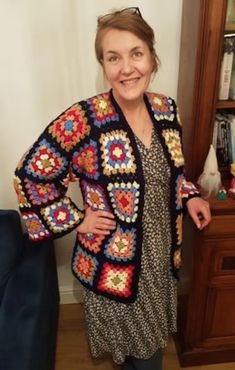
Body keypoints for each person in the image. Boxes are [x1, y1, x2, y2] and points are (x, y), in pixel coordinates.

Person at [13, 7, 211, 370]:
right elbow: (31, 175)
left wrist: (191, 195)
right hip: (113, 263)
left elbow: (170, 176)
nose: (127, 68)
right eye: (113, 57)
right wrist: (76, 220)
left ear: (152, 56)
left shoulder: (168, 110)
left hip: (160, 258)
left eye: (136, 53)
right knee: (139, 354)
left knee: (147, 349)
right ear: (103, 65)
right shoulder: (84, 120)